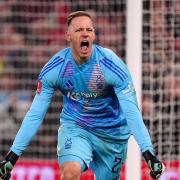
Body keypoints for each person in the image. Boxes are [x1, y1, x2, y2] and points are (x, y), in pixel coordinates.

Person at [0, 11, 165, 180]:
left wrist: (148, 154)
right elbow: (35, 114)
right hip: (76, 128)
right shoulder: (55, 69)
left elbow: (132, 112)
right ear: (68, 36)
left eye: (89, 29)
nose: (85, 33)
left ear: (93, 36)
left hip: (112, 134)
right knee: (70, 173)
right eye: (79, 30)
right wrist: (12, 156)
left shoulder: (111, 66)